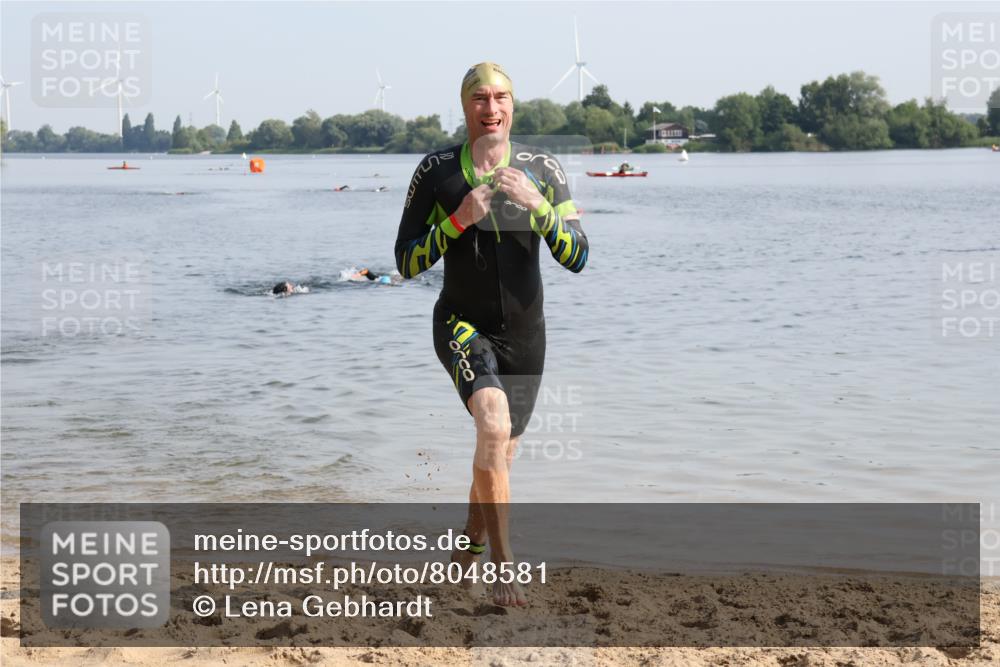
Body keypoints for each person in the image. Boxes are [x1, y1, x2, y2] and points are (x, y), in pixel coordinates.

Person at [394, 62, 588, 607]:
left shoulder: (543, 168)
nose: (491, 107)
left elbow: (578, 256)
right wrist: (457, 219)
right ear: (465, 107)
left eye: (501, 96)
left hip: (527, 332)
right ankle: (505, 571)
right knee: (494, 426)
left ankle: (467, 553)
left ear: (513, 105)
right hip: (461, 321)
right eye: (480, 98)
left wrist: (540, 206)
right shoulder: (436, 171)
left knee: (499, 450)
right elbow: (406, 261)